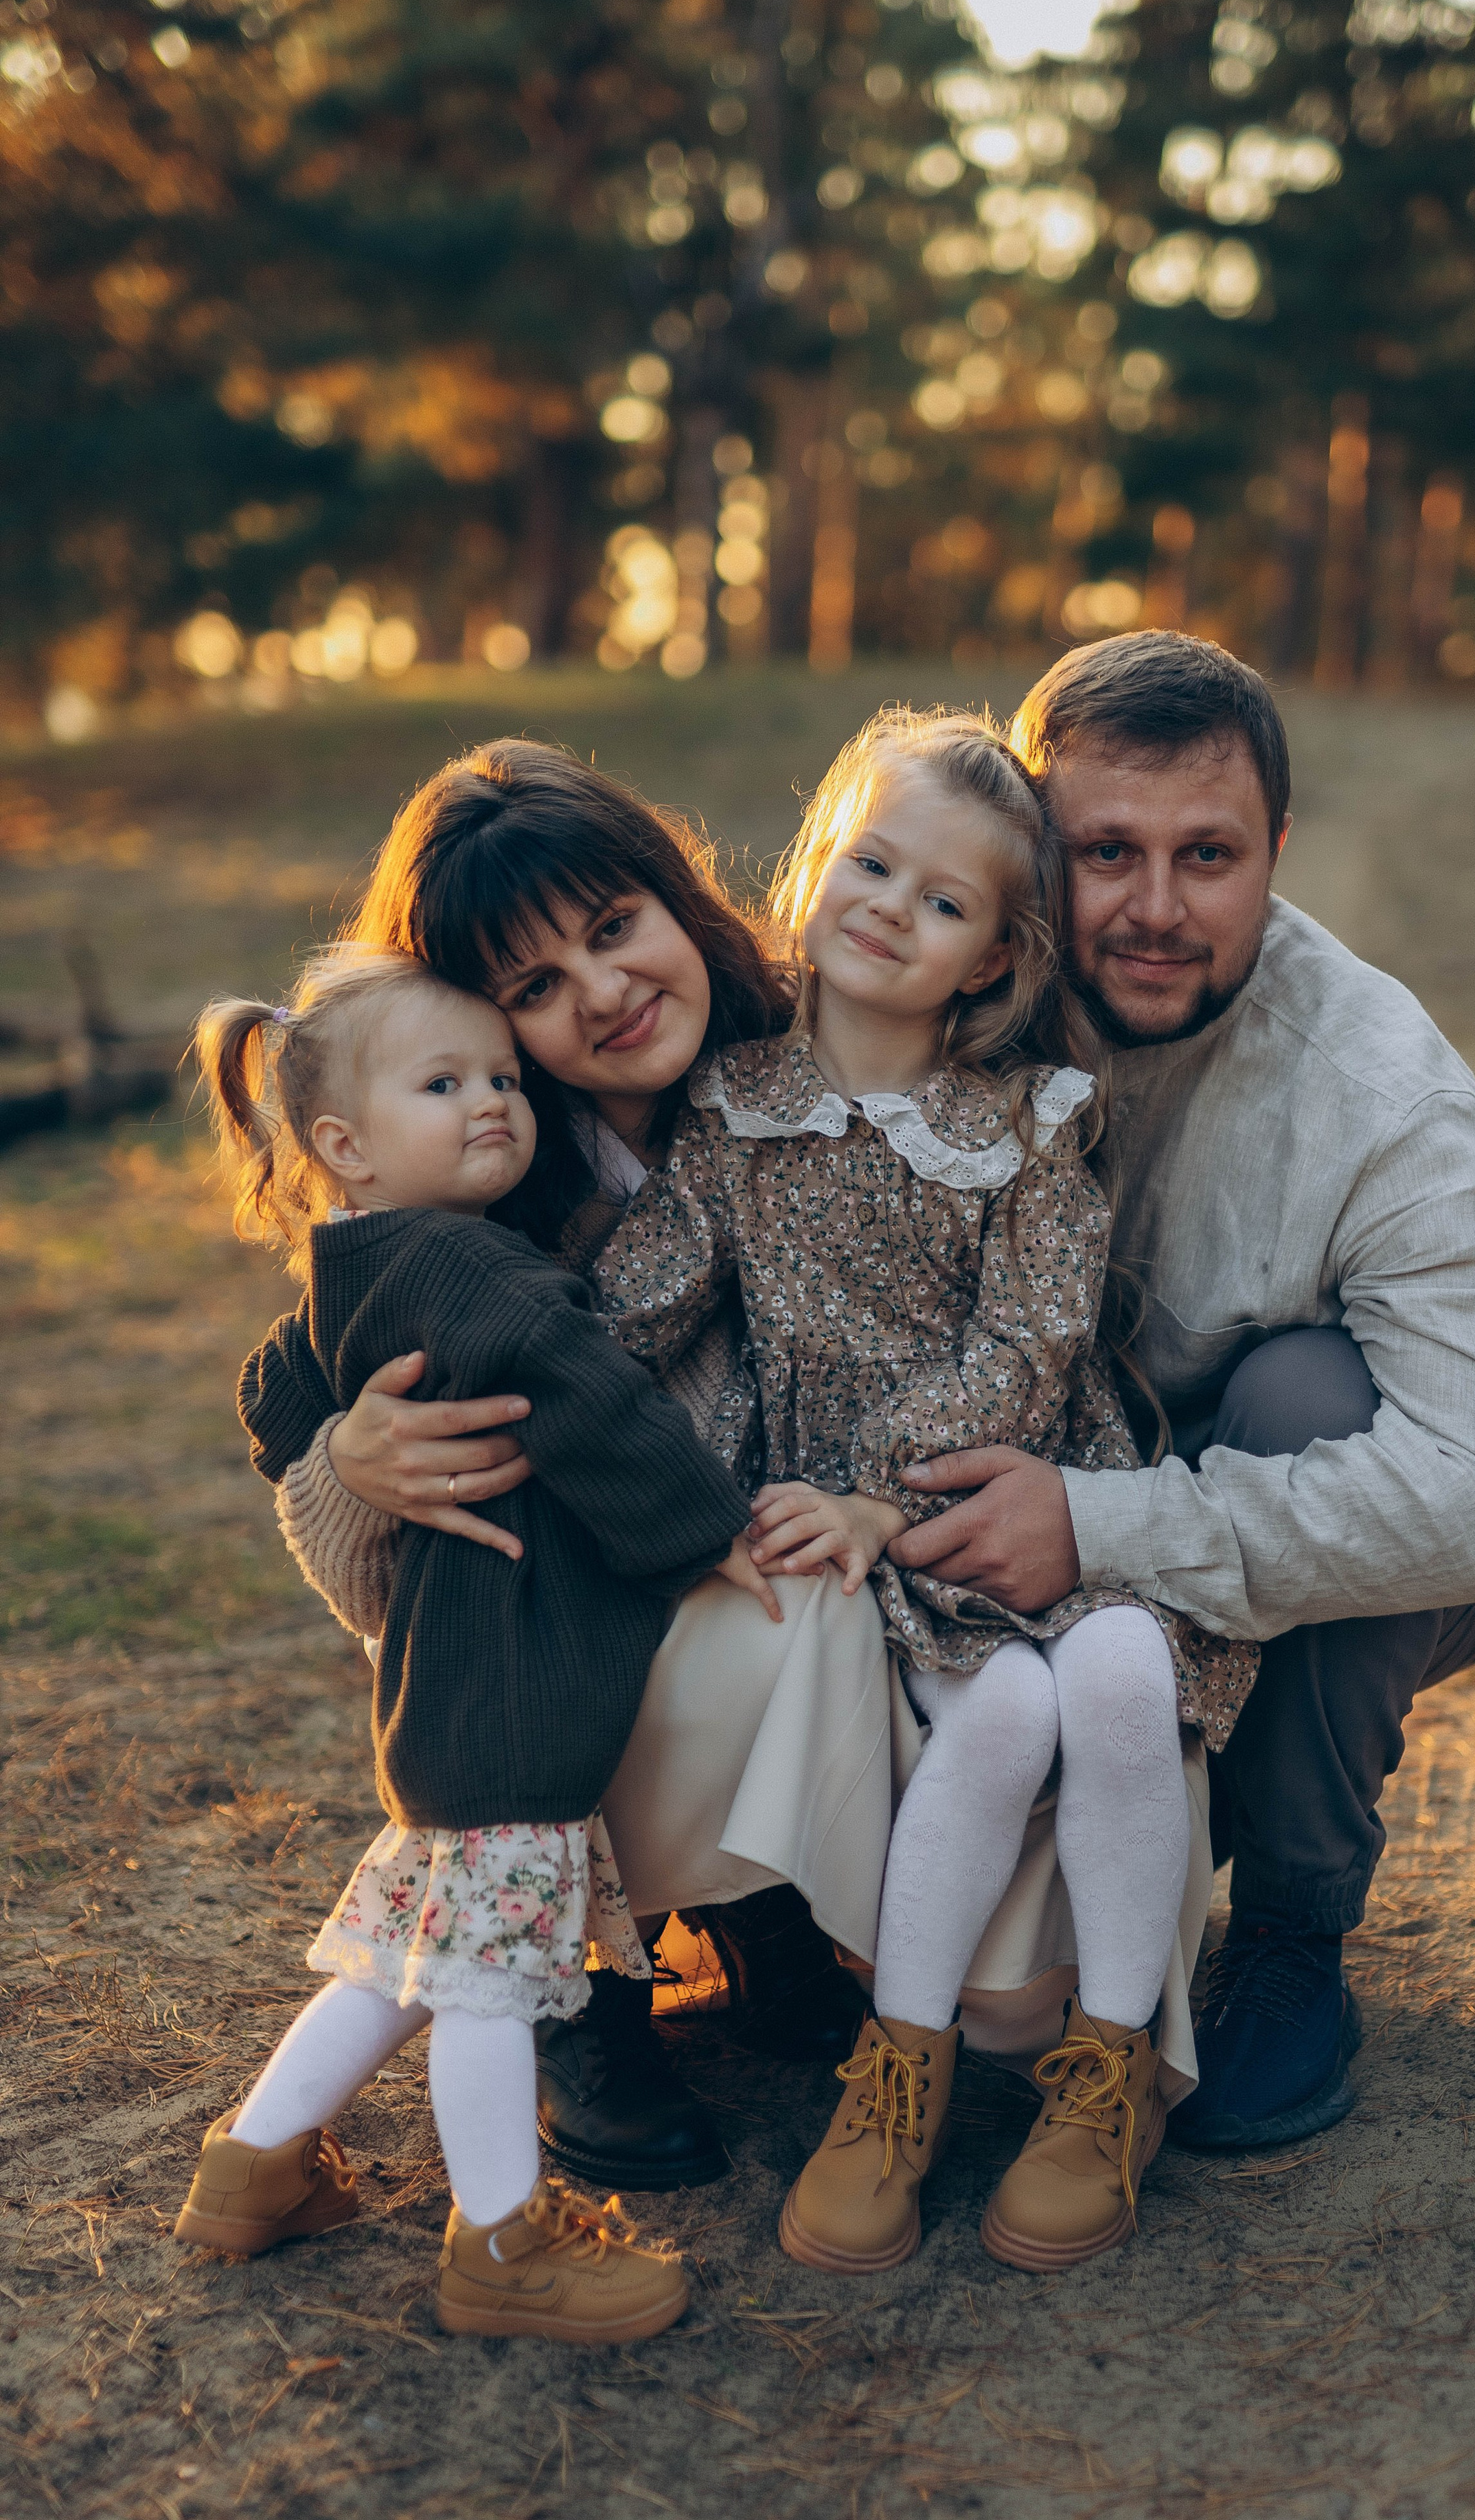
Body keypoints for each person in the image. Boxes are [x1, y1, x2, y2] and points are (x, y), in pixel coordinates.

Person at [597, 712, 1257, 2273]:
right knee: (1009, 1717)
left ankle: (1105, 2071)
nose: (890, 906)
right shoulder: (725, 1112)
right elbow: (638, 1304)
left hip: (1022, 1492)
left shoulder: (1025, 1124)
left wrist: (885, 1489)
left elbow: (1030, 1344)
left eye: (943, 901)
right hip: (849, 1543)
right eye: (871, 863)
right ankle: (898, 2066)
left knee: (1106, 1675)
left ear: (990, 958)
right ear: (819, 861)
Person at [887, 633, 1475, 2152]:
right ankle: (803, 1917)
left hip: (1213, 1512)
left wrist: (1101, 1525)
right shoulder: (914, 982)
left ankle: (1290, 1926)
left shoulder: (1377, 1086)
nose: (1153, 909)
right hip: (967, 1510)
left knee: (1317, 1393)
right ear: (1025, 849)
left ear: (1275, 852)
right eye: (1101, 852)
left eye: (1208, 855)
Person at [262, 744, 890, 2197]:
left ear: (678, 900)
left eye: (613, 930)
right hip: (572, 1639)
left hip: (824, 1539)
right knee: (554, 1666)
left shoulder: (813, 1066)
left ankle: (762, 1903)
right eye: (532, 989)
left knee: (807, 1602)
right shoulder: (471, 1193)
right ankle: (580, 1999)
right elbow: (302, 1432)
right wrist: (352, 1462)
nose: (598, 995)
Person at [175, 946, 765, 2341]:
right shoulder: (477, 1273)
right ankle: (500, 2240)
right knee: (493, 1986)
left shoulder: (362, 1268)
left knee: (402, 1960)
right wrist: (705, 1528)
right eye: (443, 1085)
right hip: (510, 1698)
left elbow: (275, 1390)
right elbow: (597, 1404)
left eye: (502, 1077)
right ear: (344, 1149)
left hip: (444, 1694)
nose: (494, 1102)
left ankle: (253, 2165)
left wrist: (317, 1433)